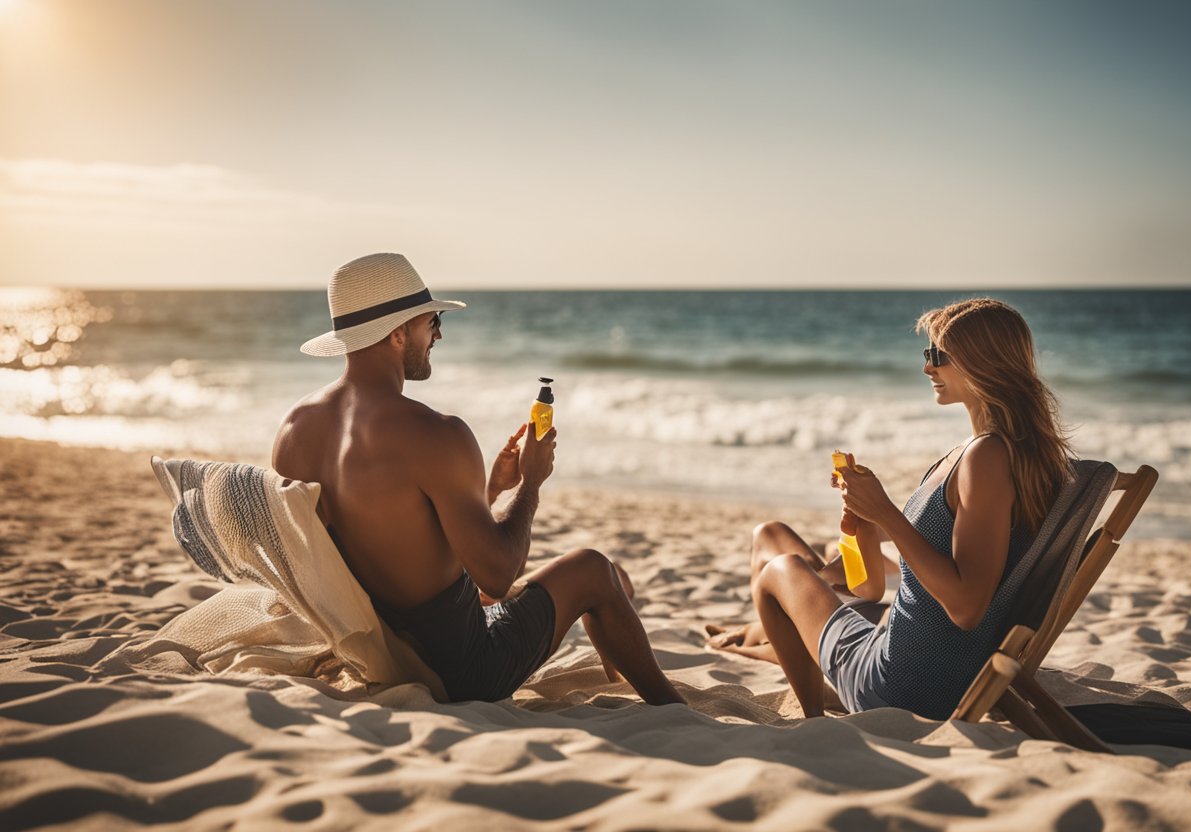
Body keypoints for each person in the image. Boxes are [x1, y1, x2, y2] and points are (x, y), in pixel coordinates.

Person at [272, 252, 683, 706]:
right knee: (594, 569)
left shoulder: (295, 431)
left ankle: (625, 673)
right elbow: (500, 573)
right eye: (432, 322)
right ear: (397, 332)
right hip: (464, 671)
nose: (440, 334)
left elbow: (395, 541)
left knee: (613, 576)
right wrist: (531, 481)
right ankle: (673, 707)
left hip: (383, 657)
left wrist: (490, 489)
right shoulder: (436, 433)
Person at [714, 298, 1070, 719]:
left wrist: (885, 514)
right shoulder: (1021, 455)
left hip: (901, 685)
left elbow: (967, 607)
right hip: (930, 660)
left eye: (938, 356)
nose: (927, 368)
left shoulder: (986, 459)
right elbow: (883, 583)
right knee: (775, 538)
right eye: (927, 354)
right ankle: (760, 638)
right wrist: (868, 518)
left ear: (981, 362)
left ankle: (811, 717)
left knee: (779, 567)